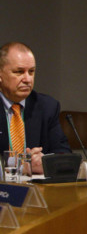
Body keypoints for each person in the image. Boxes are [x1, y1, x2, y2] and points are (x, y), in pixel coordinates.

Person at [0, 42, 70, 173]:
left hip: (36, 190)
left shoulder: (47, 107)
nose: (27, 79)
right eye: (19, 72)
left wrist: (46, 163)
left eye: (31, 72)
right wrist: (21, 166)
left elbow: (64, 156)